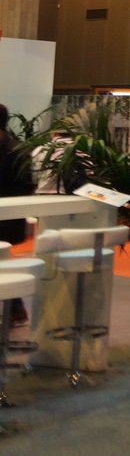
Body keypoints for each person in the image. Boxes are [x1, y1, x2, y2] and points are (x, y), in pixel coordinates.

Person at [0, 104, 35, 324]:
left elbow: (26, 185)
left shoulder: (16, 150)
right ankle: (16, 309)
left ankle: (16, 308)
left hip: (8, 220)